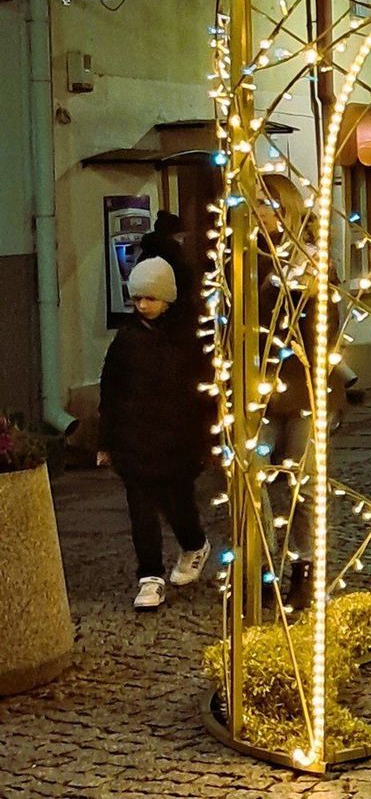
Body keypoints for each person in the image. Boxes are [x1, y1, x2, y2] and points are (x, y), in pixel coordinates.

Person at [97, 256, 212, 611]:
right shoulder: (126, 341)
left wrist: (205, 438)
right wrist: (106, 441)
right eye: (138, 299)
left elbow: (203, 391)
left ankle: (194, 544)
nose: (143, 305)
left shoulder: (188, 340)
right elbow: (110, 391)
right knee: (141, 510)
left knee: (178, 506)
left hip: (177, 440)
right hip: (135, 440)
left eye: (151, 298)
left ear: (167, 299)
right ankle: (150, 577)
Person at [256, 194, 343, 612]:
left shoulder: (308, 264)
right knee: (251, 480)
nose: (257, 210)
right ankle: (262, 566)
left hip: (303, 391)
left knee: (302, 485)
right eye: (253, 202)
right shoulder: (242, 258)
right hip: (258, 393)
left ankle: (304, 568)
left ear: (284, 208)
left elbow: (326, 332)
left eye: (264, 202)